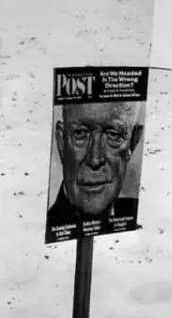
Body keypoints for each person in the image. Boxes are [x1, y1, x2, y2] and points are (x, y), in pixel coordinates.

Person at [46, 101, 143, 237]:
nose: (95, 160)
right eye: (80, 133)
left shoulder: (140, 213)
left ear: (132, 143)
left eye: (113, 134)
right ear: (62, 142)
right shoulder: (45, 229)